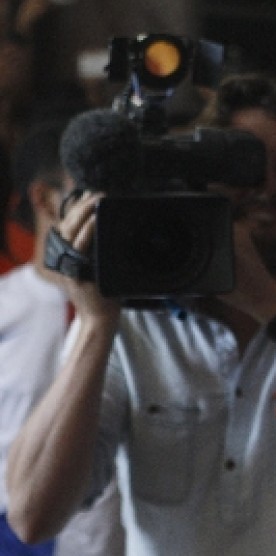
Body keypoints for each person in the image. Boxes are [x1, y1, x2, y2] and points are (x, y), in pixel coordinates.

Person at [5, 74, 276, 555]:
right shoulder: (131, 318)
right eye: (242, 163)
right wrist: (94, 322)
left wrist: (266, 302)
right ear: (198, 174)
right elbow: (31, 515)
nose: (265, 185)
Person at [1, 120, 124, 555]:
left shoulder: (136, 311)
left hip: (102, 534)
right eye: (89, 187)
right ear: (45, 199)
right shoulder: (5, 304)